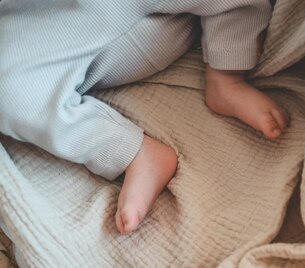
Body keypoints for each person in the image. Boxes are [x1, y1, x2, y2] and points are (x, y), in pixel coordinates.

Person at [0, 0, 289, 234]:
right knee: (9, 89)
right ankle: (131, 151)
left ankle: (226, 74)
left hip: (137, 20)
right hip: (42, 28)